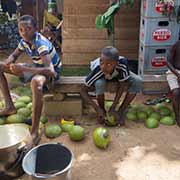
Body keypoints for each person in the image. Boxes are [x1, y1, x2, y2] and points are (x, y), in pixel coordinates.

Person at [0, 15, 61, 143]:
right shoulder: (24, 42)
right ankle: (10, 106)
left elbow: (51, 71)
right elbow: (14, 55)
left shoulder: (41, 44)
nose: (24, 32)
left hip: (51, 74)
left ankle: (34, 132)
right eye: (21, 30)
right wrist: (8, 62)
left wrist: (23, 69)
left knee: (36, 82)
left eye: (28, 28)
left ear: (36, 29)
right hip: (37, 67)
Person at [80, 46, 142, 125]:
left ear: (116, 63)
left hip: (116, 74)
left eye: (108, 64)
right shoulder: (99, 69)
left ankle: (120, 112)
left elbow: (122, 85)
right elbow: (82, 90)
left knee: (138, 81)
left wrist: (113, 106)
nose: (104, 67)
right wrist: (97, 109)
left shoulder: (122, 64)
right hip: (102, 76)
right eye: (101, 62)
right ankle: (103, 112)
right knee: (99, 83)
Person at [166, 40, 180, 126]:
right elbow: (167, 62)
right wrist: (178, 74)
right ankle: (177, 116)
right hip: (174, 72)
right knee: (176, 92)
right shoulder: (175, 46)